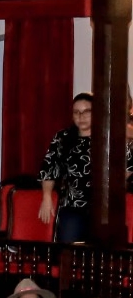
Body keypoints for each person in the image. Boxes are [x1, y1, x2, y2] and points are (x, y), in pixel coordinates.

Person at [38, 92, 94, 243]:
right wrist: (47, 196)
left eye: (86, 112)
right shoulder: (63, 138)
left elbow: (127, 164)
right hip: (72, 204)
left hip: (102, 208)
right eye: (76, 112)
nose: (80, 116)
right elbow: (49, 167)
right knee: (67, 252)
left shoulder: (106, 137)